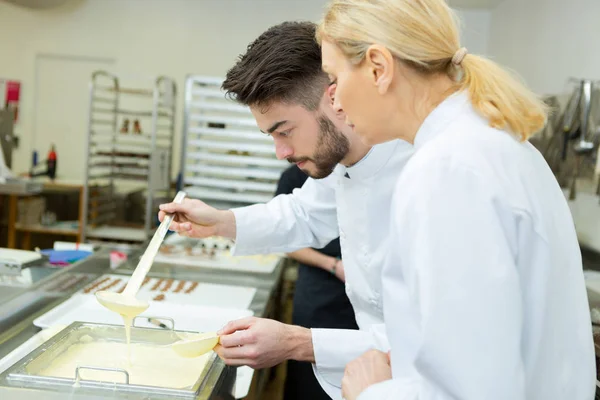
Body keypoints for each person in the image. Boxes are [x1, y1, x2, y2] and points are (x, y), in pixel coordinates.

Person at [316, 0, 596, 399]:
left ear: (379, 67)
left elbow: (470, 389)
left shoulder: (447, 169)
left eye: (334, 77)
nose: (335, 102)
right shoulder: (492, 143)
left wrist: (371, 393)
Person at [159, 21, 413, 399]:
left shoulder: (419, 171)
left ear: (333, 98)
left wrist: (299, 343)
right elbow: (303, 214)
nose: (282, 152)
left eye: (284, 131)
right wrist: (221, 223)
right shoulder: (345, 162)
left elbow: (431, 341)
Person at [276, 164, 358, 400]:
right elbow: (286, 240)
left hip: (359, 296)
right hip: (319, 290)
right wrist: (332, 265)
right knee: (307, 377)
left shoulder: (358, 173)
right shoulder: (293, 177)